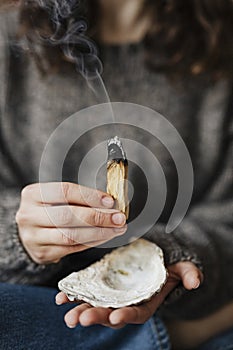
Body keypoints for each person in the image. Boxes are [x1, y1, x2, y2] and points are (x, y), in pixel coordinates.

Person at [0, 0, 232, 349]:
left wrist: (167, 254)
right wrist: (18, 237)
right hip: (34, 299)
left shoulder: (223, 46)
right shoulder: (9, 41)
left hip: (186, 311)